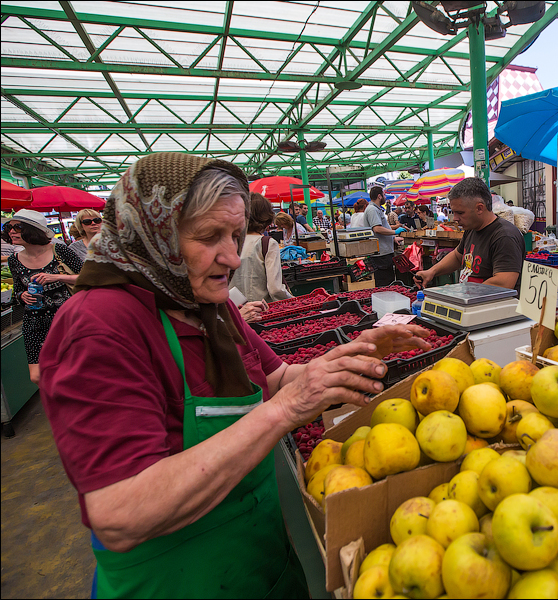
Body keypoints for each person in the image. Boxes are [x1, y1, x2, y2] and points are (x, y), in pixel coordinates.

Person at [38, 152, 431, 599]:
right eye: (209, 236)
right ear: (151, 234)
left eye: (236, 233)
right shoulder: (98, 326)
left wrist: (343, 357)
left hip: (259, 566)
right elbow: (121, 513)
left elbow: (278, 378)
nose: (230, 254)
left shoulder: (211, 304)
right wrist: (284, 411)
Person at [6, 209, 83, 384]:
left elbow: (87, 276)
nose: (11, 232)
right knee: (37, 375)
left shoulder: (59, 251)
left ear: (33, 230)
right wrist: (22, 295)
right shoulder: (14, 260)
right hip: (34, 321)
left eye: (17, 227)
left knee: (73, 368)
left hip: (66, 318)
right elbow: (17, 291)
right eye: (9, 228)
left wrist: (57, 277)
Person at [414, 177, 525, 290]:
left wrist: (459, 291)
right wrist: (431, 272)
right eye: (453, 212)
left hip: (492, 306)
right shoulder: (472, 229)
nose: (455, 218)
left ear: (480, 208)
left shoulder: (504, 236)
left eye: (460, 213)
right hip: (471, 304)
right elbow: (458, 256)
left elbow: (503, 283)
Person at [231, 193, 292, 304]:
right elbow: (276, 289)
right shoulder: (267, 244)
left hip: (235, 313)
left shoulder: (229, 243)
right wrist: (294, 301)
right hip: (260, 312)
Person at [365, 186, 405, 287]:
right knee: (384, 284)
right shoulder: (372, 210)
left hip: (384, 253)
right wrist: (395, 232)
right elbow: (377, 229)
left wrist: (393, 238)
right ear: (379, 196)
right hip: (380, 256)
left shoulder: (376, 209)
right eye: (384, 194)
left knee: (389, 281)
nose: (385, 197)